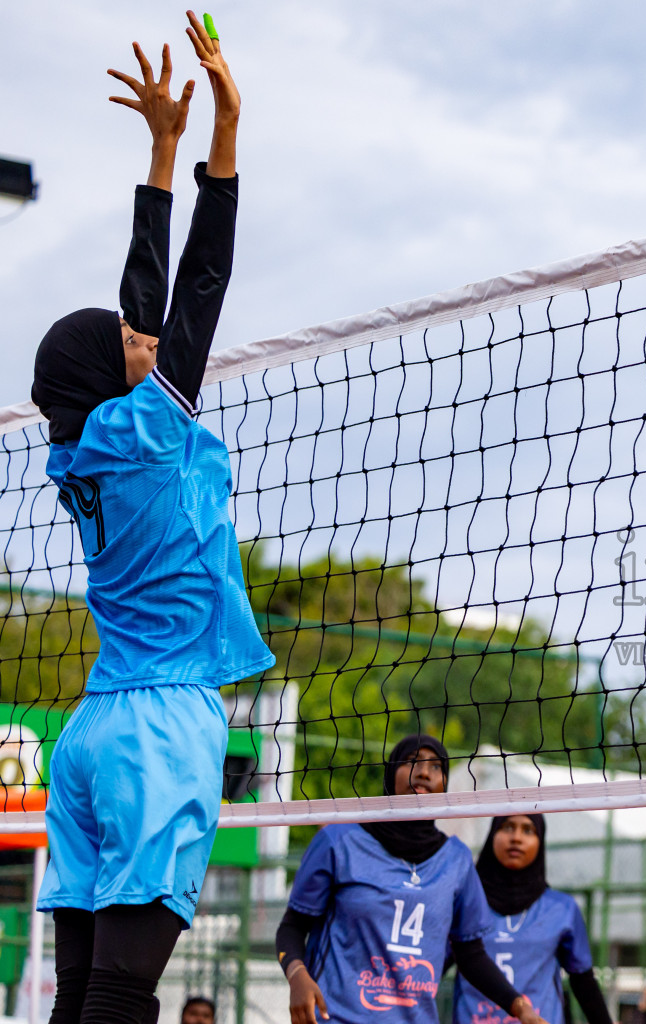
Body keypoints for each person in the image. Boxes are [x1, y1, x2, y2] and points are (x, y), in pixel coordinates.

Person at [30, 16, 274, 1024]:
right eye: (123, 342)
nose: (142, 337)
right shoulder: (146, 434)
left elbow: (144, 300)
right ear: (112, 377)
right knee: (125, 990)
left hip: (94, 728)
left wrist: (160, 151)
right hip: (160, 726)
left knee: (85, 987)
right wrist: (227, 124)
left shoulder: (80, 449)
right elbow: (200, 280)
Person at [275, 736, 547, 1024]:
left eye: (436, 766)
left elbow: (470, 954)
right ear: (391, 773)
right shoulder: (339, 841)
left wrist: (519, 1007)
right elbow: (292, 926)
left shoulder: (456, 860)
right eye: (412, 761)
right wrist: (297, 976)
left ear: (445, 785)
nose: (424, 772)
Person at [454, 814, 613, 1024]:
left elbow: (582, 981)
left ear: (541, 841)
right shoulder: (464, 902)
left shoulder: (561, 908)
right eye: (507, 827)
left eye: (528, 830)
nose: (516, 838)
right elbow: (433, 964)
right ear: (492, 835)